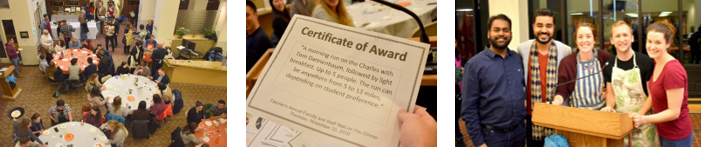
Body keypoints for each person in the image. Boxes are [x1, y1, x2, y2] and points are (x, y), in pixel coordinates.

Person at [462, 14, 525, 147]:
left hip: (519, 132)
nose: (501, 34)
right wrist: (479, 143)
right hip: (493, 137)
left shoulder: (517, 59)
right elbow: (468, 108)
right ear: (489, 34)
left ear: (511, 34)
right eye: (496, 30)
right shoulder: (475, 64)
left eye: (505, 30)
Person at [627, 21, 693, 147]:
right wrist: (638, 114)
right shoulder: (657, 63)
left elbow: (674, 112)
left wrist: (644, 119)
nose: (652, 46)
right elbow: (653, 96)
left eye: (658, 42)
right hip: (664, 132)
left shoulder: (672, 70)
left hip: (677, 135)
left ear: (667, 44)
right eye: (649, 41)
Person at [515, 9, 572, 146]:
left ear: (553, 27)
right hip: (532, 115)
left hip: (558, 115)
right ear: (533, 27)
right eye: (539, 25)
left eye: (548, 26)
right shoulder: (522, 49)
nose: (544, 30)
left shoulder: (565, 50)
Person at [601, 21, 656, 147]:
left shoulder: (646, 62)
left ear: (632, 38)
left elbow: (652, 97)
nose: (622, 39)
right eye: (618, 36)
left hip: (643, 122)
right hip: (619, 123)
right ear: (612, 40)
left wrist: (639, 117)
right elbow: (610, 93)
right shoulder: (609, 65)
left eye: (625, 35)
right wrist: (609, 106)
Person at [553, 22, 612, 110]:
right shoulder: (567, 63)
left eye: (588, 36)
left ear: (594, 39)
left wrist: (610, 90)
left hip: (603, 112)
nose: (584, 40)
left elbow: (614, 81)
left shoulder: (604, 57)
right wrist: (556, 102)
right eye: (580, 37)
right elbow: (562, 91)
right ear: (576, 41)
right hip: (578, 115)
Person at [246, 1, 273, 72]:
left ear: (256, 15)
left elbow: (249, 69)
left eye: (246, 15)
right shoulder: (249, 36)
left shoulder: (260, 39)